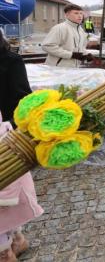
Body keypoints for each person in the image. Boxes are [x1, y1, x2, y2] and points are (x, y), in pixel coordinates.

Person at [0, 29, 44, 262]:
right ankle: (14, 240)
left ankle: (7, 249)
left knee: (6, 193)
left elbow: (21, 97)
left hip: (5, 134)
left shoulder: (11, 60)